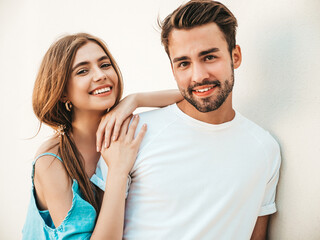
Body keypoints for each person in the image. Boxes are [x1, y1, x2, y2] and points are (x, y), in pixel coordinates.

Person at [94, 1, 281, 239]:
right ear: (173, 69)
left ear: (235, 56)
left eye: (209, 57)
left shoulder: (265, 149)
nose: (199, 75)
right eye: (184, 63)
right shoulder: (131, 133)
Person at [22, 33, 183, 239]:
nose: (100, 75)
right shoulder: (51, 162)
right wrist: (117, 171)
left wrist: (135, 99)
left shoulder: (123, 132)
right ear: (62, 92)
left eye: (105, 65)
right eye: (82, 71)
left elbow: (193, 97)